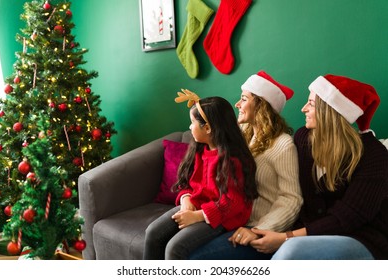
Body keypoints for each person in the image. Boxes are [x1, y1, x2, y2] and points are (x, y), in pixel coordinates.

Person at [253, 74, 388, 260]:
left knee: (290, 253)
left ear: (330, 111)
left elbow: (350, 216)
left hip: (360, 240)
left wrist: (286, 238)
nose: (303, 109)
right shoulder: (303, 138)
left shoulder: (374, 154)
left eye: (311, 103)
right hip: (308, 235)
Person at [189, 70, 303, 259]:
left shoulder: (283, 145)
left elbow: (291, 199)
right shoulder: (240, 133)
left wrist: (259, 229)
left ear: (261, 105)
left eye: (244, 99)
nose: (237, 104)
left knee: (194, 257)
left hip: (256, 227)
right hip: (230, 217)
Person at [143, 91, 258, 260]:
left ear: (208, 128)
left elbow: (232, 203)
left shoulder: (232, 160)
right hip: (196, 206)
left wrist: (197, 216)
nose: (190, 127)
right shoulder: (199, 150)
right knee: (152, 233)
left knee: (175, 248)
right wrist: (186, 200)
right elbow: (187, 183)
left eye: (192, 123)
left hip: (220, 217)